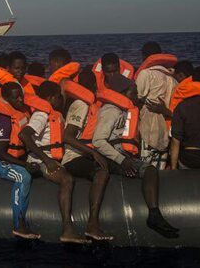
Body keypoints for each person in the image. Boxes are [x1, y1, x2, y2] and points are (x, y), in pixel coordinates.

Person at [91, 74, 179, 238]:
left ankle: (154, 213)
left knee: (150, 169)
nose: (136, 95)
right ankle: (153, 214)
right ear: (124, 92)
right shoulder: (111, 111)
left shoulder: (123, 110)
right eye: (134, 91)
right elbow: (98, 140)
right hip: (110, 159)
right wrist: (122, 160)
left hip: (120, 156)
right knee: (149, 170)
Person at [20, 81, 88, 244]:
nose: (61, 99)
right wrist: (47, 160)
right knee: (67, 180)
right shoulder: (41, 115)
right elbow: (24, 135)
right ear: (51, 98)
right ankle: (67, 230)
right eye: (59, 97)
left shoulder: (55, 113)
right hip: (40, 160)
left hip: (52, 157)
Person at [59, 70, 113, 241]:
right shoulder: (81, 105)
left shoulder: (92, 106)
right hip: (73, 157)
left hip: (86, 154)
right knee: (101, 171)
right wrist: (93, 153)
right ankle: (92, 224)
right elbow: (67, 136)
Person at [0, 81, 39, 239]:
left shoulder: (22, 113)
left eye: (21, 97)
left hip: (17, 157)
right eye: (16, 99)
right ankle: (19, 225)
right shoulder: (4, 119)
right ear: (6, 99)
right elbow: (1, 153)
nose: (20, 101)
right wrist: (25, 165)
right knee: (24, 176)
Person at [134, 42, 178, 168]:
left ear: (144, 57)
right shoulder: (172, 79)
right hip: (166, 130)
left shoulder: (146, 74)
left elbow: (136, 99)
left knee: (144, 167)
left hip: (148, 127)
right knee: (160, 168)